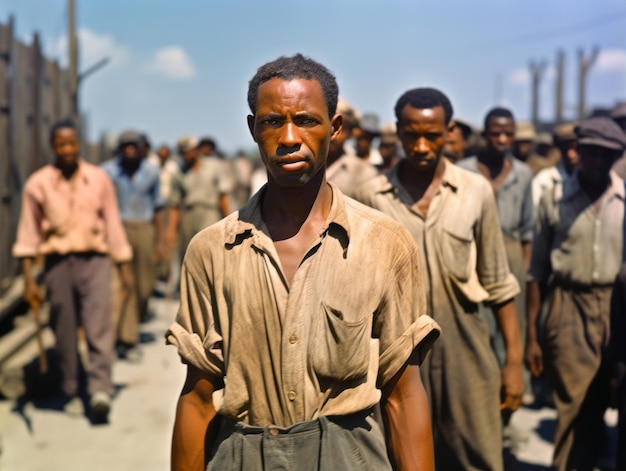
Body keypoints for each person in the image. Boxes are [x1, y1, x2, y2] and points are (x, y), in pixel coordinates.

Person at [166, 54, 440, 471]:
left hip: (347, 454)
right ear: (253, 129)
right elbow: (199, 396)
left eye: (307, 121)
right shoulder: (211, 250)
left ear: (335, 128)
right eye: (272, 121)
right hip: (242, 453)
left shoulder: (384, 245)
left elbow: (402, 393)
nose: (289, 137)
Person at [355, 88, 523, 471]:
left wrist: (513, 361)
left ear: (448, 132)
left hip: (465, 344)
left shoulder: (475, 191)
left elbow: (498, 282)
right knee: (404, 455)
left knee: (476, 451)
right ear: (397, 131)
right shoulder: (368, 196)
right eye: (411, 134)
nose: (421, 146)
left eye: (431, 135)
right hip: (396, 351)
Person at [12, 119, 133, 421]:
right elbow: (28, 235)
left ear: (78, 145)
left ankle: (99, 388)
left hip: (95, 260)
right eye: (61, 144)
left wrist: (123, 263)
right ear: (53, 147)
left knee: (98, 325)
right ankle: (70, 386)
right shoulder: (38, 184)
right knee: (63, 329)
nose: (67, 150)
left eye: (72, 144)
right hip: (57, 264)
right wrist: (28, 279)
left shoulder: (98, 179)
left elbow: (113, 224)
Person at [525, 116, 626, 471]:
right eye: (591, 153)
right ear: (578, 153)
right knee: (574, 405)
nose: (598, 163)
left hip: (618, 307)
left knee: (609, 399)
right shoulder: (554, 199)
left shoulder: (623, 199)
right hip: (569, 306)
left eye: (607, 156)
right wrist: (533, 335)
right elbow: (537, 272)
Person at [457, 108, 534, 403]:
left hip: (512, 254)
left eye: (508, 133)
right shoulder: (464, 169)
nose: (502, 139)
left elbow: (528, 230)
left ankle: (507, 412)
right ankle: (480, 402)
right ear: (485, 134)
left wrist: (524, 272)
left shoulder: (523, 174)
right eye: (496, 133)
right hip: (474, 256)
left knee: (512, 337)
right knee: (480, 333)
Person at [101, 130, 166, 360]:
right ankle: (126, 338)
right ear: (119, 149)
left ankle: (131, 324)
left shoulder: (151, 171)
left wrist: (161, 240)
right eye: (125, 146)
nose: (129, 150)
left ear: (140, 148)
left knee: (145, 284)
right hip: (116, 229)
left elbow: (159, 206)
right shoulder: (106, 172)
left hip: (144, 228)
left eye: (133, 146)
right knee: (122, 284)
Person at [166, 135, 233, 259]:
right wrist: (171, 230)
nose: (185, 156)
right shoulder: (178, 173)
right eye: (182, 153)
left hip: (209, 213)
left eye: (187, 152)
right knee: (189, 254)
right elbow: (174, 204)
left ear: (195, 149)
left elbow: (223, 196)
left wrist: (229, 221)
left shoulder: (214, 166)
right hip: (188, 214)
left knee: (210, 251)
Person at [325, 100, 378, 198]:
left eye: (341, 129)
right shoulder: (299, 163)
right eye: (328, 126)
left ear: (350, 133)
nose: (333, 134)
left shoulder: (364, 173)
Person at [531, 122, 580, 209]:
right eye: (565, 149)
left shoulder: (590, 180)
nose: (570, 154)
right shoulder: (544, 180)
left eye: (575, 148)